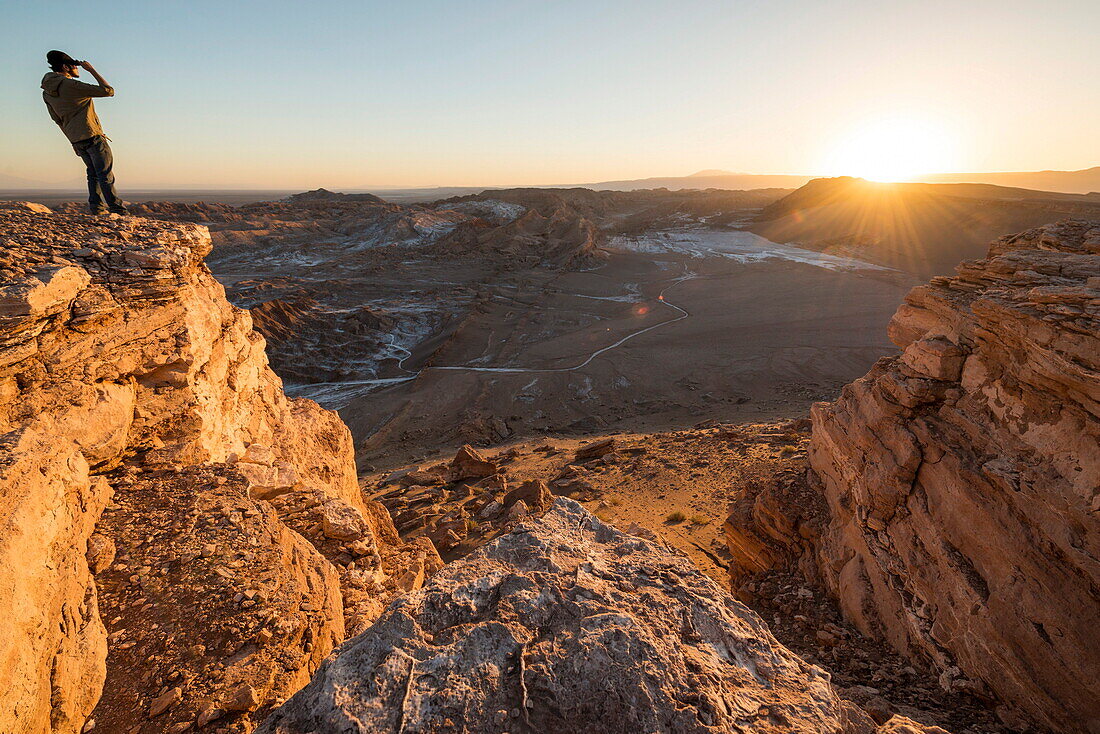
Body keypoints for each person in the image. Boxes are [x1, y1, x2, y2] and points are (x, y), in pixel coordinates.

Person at [41, 50, 128, 215]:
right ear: (66, 67)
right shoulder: (70, 85)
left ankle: (97, 208)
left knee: (93, 174)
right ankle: (117, 210)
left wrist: (72, 141)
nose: (77, 68)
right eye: (75, 65)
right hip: (92, 135)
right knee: (104, 175)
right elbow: (108, 91)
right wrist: (91, 70)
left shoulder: (46, 92)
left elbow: (57, 119)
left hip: (76, 139)